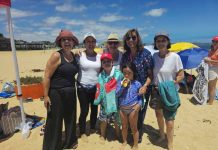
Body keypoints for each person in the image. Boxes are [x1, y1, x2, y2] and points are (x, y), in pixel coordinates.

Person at [43, 30, 79, 150]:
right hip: (56, 93)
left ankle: (70, 142)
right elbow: (47, 76)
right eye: (64, 40)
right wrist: (46, 96)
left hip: (71, 92)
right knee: (54, 121)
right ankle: (52, 146)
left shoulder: (74, 55)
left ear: (73, 42)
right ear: (60, 42)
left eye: (69, 39)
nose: (67, 42)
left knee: (70, 118)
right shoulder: (56, 55)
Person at [152, 32, 184, 150]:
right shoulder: (154, 56)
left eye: (163, 40)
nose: (160, 43)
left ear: (167, 42)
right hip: (156, 91)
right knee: (158, 115)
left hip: (170, 92)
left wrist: (172, 84)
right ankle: (161, 135)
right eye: (158, 41)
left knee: (169, 119)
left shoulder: (175, 57)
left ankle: (170, 143)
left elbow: (181, 74)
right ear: (155, 43)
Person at [121, 29, 153, 142]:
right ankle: (130, 130)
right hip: (129, 88)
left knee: (140, 112)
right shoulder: (125, 56)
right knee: (129, 110)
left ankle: (137, 134)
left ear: (138, 39)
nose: (131, 40)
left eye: (133, 37)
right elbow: (123, 73)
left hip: (143, 88)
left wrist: (144, 86)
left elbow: (150, 75)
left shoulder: (146, 54)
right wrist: (123, 85)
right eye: (128, 38)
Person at [94, 53, 123, 144]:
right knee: (103, 120)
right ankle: (103, 135)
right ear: (102, 64)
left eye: (108, 61)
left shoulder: (118, 74)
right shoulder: (100, 75)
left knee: (117, 120)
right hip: (104, 103)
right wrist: (98, 100)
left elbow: (123, 86)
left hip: (116, 102)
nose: (106, 63)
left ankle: (118, 134)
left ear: (112, 62)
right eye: (104, 62)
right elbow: (99, 88)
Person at [77, 32, 101, 142]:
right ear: (84, 43)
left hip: (95, 87)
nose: (90, 44)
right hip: (82, 87)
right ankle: (82, 132)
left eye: (93, 41)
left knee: (95, 109)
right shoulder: (79, 55)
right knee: (84, 110)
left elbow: (103, 70)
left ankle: (92, 127)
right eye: (88, 41)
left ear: (95, 43)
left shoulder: (99, 57)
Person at [116, 62, 143, 150]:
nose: (126, 75)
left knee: (134, 127)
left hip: (133, 109)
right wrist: (123, 86)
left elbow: (141, 98)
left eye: (129, 73)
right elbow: (117, 94)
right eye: (124, 73)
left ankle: (135, 145)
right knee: (124, 127)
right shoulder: (120, 83)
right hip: (122, 109)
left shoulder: (137, 84)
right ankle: (124, 141)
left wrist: (138, 106)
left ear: (133, 73)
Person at [204, 36, 218, 105]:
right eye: (213, 41)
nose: (214, 43)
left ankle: (210, 102)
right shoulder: (211, 50)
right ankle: (210, 99)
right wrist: (206, 59)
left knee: (212, 86)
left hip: (215, 69)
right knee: (209, 86)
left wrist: (210, 60)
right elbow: (209, 58)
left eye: (216, 41)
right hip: (210, 68)